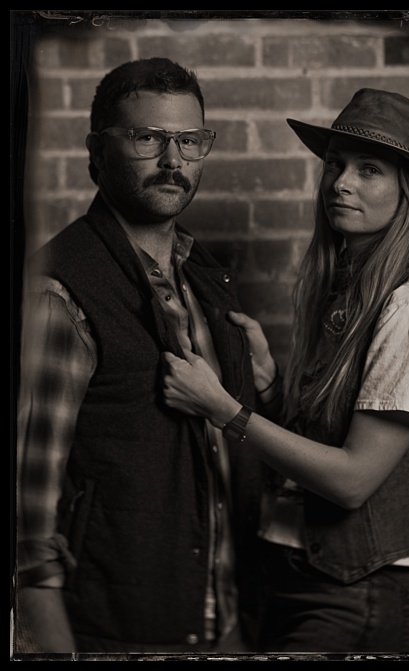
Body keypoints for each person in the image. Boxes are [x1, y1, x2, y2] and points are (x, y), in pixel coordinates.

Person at [161, 88, 409, 653]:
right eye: (335, 165)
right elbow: (330, 442)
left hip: (361, 594)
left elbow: (352, 480)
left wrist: (224, 410)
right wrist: (273, 386)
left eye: (368, 170)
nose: (340, 183)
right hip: (298, 575)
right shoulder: (350, 287)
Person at [15, 57, 266, 653]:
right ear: (97, 152)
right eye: (147, 138)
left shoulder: (201, 275)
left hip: (220, 621)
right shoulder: (61, 291)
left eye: (189, 140)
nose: (173, 161)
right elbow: (26, 523)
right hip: (116, 628)